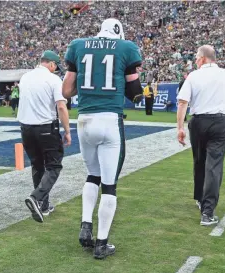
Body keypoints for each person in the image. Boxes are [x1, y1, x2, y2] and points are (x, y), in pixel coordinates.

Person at [62, 18, 143, 259]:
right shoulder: (126, 48)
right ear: (118, 33)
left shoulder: (78, 45)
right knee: (109, 184)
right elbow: (136, 92)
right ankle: (101, 243)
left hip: (84, 120)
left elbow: (66, 91)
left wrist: (88, 82)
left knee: (92, 175)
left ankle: (86, 225)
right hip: (109, 119)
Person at [176, 45, 225, 226]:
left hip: (198, 122)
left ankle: (200, 199)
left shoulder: (193, 76)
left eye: (197, 57)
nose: (196, 60)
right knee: (213, 166)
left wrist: (180, 127)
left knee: (199, 162)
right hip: (220, 122)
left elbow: (183, 102)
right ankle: (207, 212)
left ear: (203, 58)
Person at [17, 50, 71, 223]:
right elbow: (61, 107)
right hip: (45, 127)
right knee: (54, 166)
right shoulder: (53, 79)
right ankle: (37, 198)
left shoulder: (25, 77)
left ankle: (43, 206)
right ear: (52, 64)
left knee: (37, 165)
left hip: (26, 128)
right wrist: (67, 131)